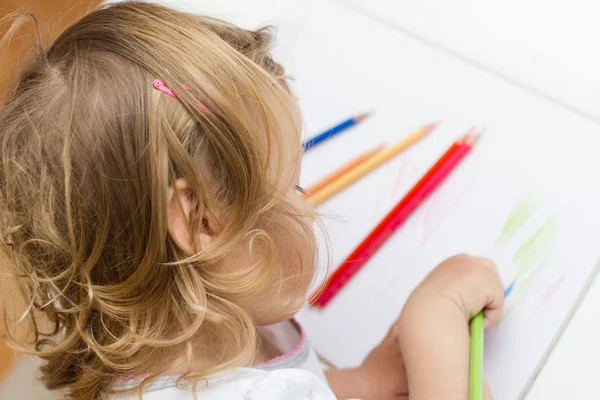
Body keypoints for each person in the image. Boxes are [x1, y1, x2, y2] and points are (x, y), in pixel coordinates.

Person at [0, 2, 504, 399]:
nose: (308, 205)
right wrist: (434, 313)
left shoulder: (145, 331)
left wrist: (357, 384)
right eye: (291, 187)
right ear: (201, 223)